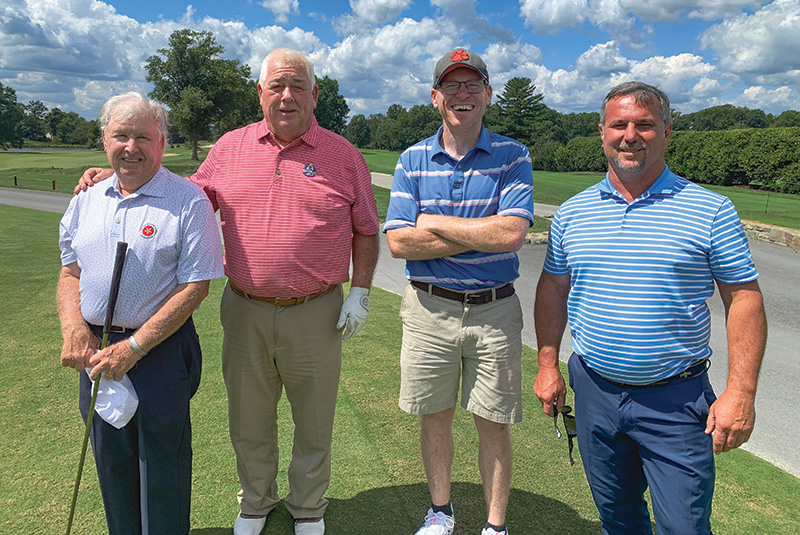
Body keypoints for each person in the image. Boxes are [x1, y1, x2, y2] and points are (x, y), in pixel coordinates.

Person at [79, 48, 380, 535]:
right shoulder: (231, 147)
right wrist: (116, 175)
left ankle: (307, 507)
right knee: (249, 417)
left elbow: (366, 229)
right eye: (276, 86)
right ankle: (256, 502)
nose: (287, 96)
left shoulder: (344, 156)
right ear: (260, 94)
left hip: (317, 310)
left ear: (314, 94)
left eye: (297, 85)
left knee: (314, 418)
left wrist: (360, 290)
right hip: (245, 309)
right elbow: (181, 198)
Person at [533, 81, 768, 534]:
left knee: (683, 527)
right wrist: (548, 364)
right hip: (595, 392)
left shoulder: (710, 209)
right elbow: (552, 289)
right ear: (601, 131)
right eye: (619, 124)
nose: (630, 135)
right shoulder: (572, 213)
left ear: (667, 131)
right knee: (618, 518)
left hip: (675, 400)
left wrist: (741, 392)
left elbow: (743, 299)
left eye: (645, 124)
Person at [58, 92, 224, 534]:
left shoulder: (188, 201)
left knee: (162, 464)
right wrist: (74, 327)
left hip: (161, 353)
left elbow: (196, 286)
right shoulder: (86, 199)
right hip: (96, 350)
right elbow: (70, 271)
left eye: (143, 137)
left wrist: (133, 347)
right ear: (104, 139)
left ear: (162, 142)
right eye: (121, 136)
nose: (131, 147)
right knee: (111, 459)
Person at [384, 48, 533, 535]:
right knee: (435, 416)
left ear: (488, 95)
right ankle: (441, 512)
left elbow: (511, 235)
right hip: (429, 308)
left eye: (472, 85)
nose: (462, 94)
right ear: (435, 97)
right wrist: (476, 229)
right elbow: (399, 242)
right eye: (452, 86)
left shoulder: (513, 155)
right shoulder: (412, 159)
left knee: (493, 421)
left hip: (494, 309)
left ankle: (494, 525)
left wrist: (434, 223)